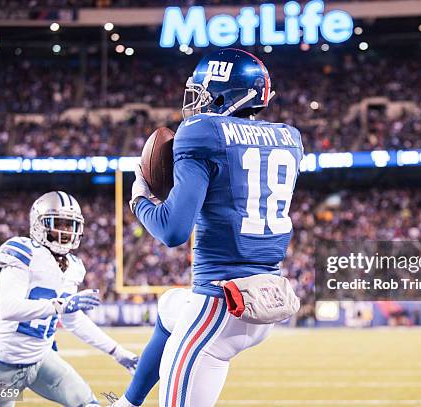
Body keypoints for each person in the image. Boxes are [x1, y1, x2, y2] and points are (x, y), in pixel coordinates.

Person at [114, 48, 304, 407]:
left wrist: (139, 198)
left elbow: (173, 231)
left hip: (218, 305)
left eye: (203, 93)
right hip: (266, 296)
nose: (197, 103)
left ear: (225, 93)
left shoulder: (202, 131)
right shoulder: (289, 137)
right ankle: (127, 403)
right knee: (170, 306)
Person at [0, 191, 138, 406]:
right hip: (3, 363)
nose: (65, 231)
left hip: (42, 359)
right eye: (59, 224)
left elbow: (72, 318)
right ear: (38, 224)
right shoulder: (21, 251)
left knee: (89, 403)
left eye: (70, 225)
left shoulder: (74, 266)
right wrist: (58, 306)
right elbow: (8, 307)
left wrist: (117, 352)